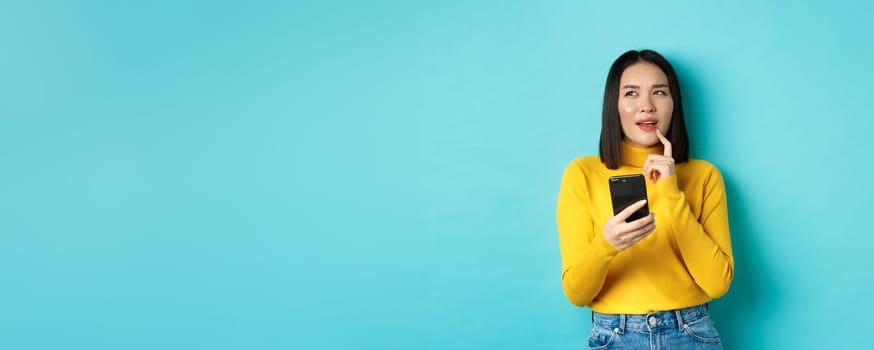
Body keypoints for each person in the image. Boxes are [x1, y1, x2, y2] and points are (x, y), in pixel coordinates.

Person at [556, 49, 734, 350]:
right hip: (615, 334)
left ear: (673, 104)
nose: (646, 106)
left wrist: (670, 192)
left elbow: (718, 284)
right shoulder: (582, 174)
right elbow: (577, 293)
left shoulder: (704, 175)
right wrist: (607, 244)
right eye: (631, 93)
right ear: (614, 105)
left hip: (691, 333)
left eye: (659, 92)